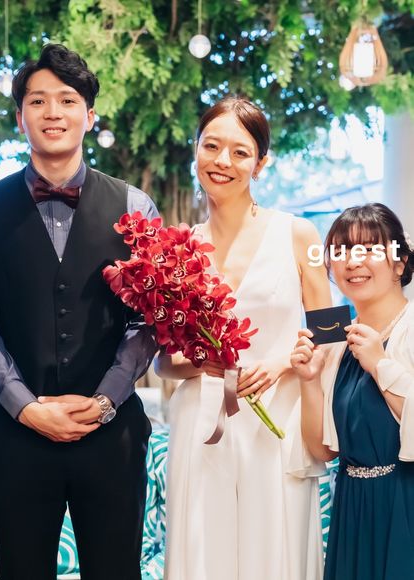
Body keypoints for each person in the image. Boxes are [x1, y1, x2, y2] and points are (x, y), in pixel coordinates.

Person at [0, 43, 158, 580]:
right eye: (37, 101)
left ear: (89, 116)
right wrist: (26, 407)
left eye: (67, 100)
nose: (53, 113)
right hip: (17, 436)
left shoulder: (136, 208)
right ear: (20, 116)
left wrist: (105, 400)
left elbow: (147, 321)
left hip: (112, 435)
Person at [155, 96, 332, 580]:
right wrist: (201, 362)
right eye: (211, 146)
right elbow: (162, 363)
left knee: (272, 550)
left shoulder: (300, 234)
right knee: (203, 555)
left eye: (240, 152)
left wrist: (282, 363)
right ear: (196, 149)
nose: (222, 161)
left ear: (261, 163)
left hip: (277, 419)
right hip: (201, 422)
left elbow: (331, 329)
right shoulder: (177, 248)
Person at [291, 203, 414, 580]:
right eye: (342, 250)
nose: (353, 261)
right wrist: (309, 380)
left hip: (404, 503)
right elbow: (323, 450)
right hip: (352, 506)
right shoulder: (336, 341)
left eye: (370, 249)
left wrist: (380, 364)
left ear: (399, 263)